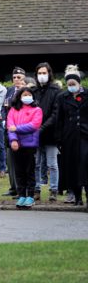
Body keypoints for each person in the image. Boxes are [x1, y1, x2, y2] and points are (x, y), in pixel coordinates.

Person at [56, 65, 88, 207]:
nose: (71, 87)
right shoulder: (63, 97)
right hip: (69, 137)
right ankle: (77, 196)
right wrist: (59, 139)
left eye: (73, 84)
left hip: (85, 135)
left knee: (85, 164)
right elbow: (59, 119)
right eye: (68, 85)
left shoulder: (87, 95)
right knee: (73, 166)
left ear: (78, 83)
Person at [7, 87, 43, 208]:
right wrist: (13, 139)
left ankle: (30, 196)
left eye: (29, 94)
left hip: (30, 145)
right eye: (24, 95)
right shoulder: (13, 110)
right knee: (19, 171)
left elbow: (34, 125)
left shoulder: (37, 110)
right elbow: (9, 125)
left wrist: (17, 129)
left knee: (29, 171)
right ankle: (22, 195)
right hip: (17, 145)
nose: (27, 97)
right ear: (19, 96)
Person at [33, 62, 61, 202]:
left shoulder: (56, 91)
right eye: (39, 73)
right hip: (35, 135)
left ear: (49, 74)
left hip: (51, 133)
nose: (41, 76)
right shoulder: (34, 92)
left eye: (44, 73)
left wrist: (42, 127)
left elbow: (56, 114)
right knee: (36, 164)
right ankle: (36, 189)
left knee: (52, 164)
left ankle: (53, 190)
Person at [2, 67, 26, 198]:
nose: (16, 80)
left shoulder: (27, 92)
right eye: (14, 77)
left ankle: (21, 188)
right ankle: (13, 187)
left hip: (21, 130)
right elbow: (4, 107)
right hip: (9, 129)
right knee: (10, 160)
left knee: (20, 161)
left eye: (19, 77)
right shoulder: (10, 90)